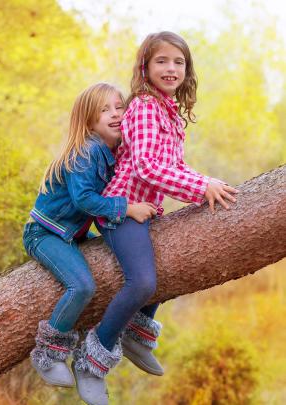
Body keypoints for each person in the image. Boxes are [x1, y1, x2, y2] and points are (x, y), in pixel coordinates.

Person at [72, 32, 239, 405]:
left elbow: (172, 166)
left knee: (168, 265)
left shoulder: (167, 110)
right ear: (145, 67)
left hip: (146, 210)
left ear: (187, 69)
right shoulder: (146, 107)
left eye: (178, 62)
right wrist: (201, 188)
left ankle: (137, 334)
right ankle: (91, 361)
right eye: (162, 60)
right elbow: (148, 168)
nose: (171, 68)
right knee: (142, 281)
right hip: (122, 208)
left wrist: (204, 181)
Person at [23, 83, 156, 401]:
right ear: (88, 122)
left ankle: (136, 330)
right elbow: (84, 200)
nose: (114, 114)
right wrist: (128, 208)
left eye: (118, 107)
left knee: (141, 260)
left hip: (76, 234)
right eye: (104, 110)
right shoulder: (87, 150)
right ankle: (48, 354)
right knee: (82, 286)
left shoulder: (113, 151)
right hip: (46, 234)